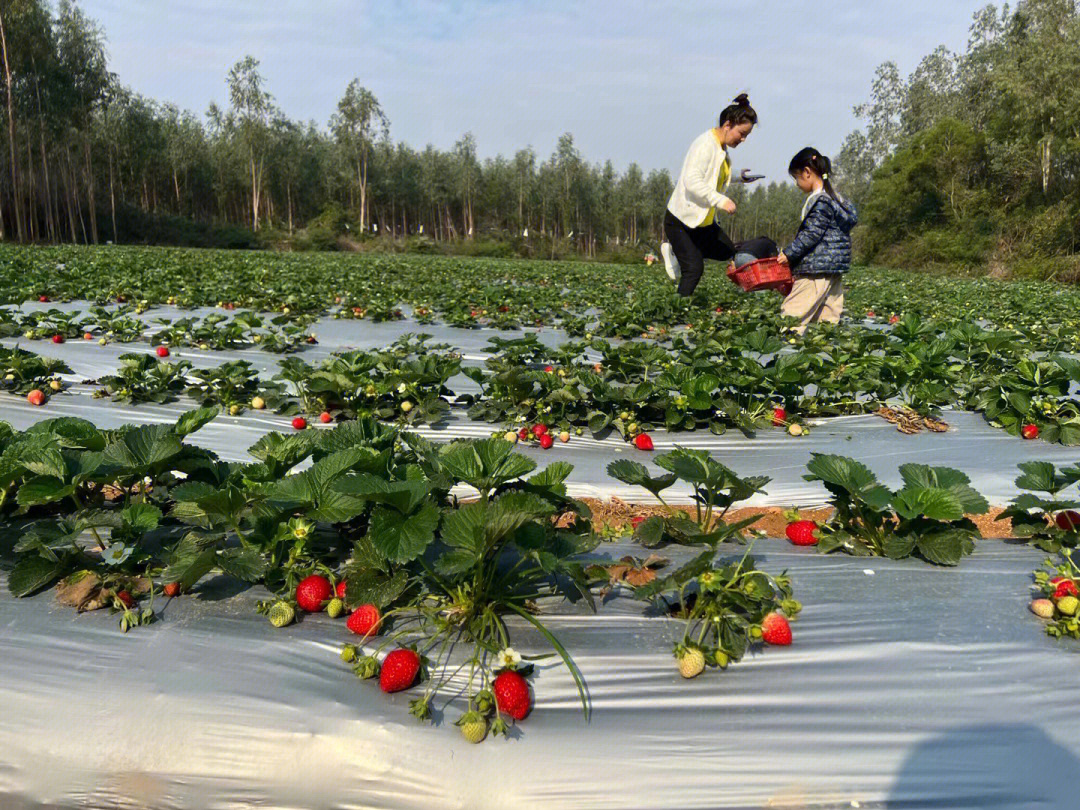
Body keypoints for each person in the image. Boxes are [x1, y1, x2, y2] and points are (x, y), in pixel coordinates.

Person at [660, 94, 758, 296]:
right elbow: (692, 180)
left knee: (726, 251)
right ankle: (677, 314)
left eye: (746, 135)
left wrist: (738, 177)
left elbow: (713, 176)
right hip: (681, 221)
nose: (743, 139)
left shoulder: (720, 147)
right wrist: (720, 200)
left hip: (702, 223)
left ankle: (677, 255)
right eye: (741, 133)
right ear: (728, 124)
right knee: (694, 270)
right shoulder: (705, 145)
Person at [776, 148, 858, 333]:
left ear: (807, 172)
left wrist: (789, 254)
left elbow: (811, 234)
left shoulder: (820, 200)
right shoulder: (837, 199)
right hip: (834, 270)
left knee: (792, 316)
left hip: (815, 269)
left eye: (796, 177)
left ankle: (787, 356)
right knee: (827, 322)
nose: (797, 183)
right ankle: (823, 357)